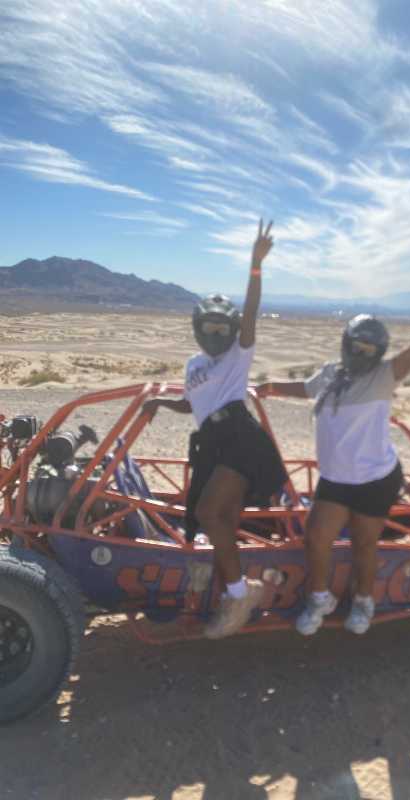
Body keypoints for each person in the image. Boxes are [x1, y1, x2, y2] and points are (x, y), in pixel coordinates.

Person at [256, 307, 410, 635]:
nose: (361, 355)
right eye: (356, 347)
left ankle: (363, 601)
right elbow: (306, 388)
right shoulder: (331, 374)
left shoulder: (382, 377)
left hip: (374, 479)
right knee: (316, 538)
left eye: (368, 350)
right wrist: (270, 387)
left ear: (378, 353)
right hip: (336, 479)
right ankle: (320, 599)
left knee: (364, 543)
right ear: (346, 344)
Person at [144, 220, 288, 639]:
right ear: (198, 329)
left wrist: (255, 266)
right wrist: (158, 402)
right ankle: (230, 587)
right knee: (214, 516)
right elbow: (191, 404)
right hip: (211, 442)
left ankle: (241, 594)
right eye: (209, 328)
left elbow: (252, 313)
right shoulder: (194, 364)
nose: (216, 334)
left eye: (223, 328)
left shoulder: (237, 355)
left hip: (240, 439)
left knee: (209, 512)